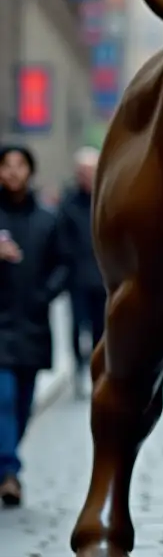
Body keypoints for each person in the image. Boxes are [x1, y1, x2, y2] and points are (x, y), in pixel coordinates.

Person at [0, 143, 70, 506]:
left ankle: (7, 460)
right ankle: (9, 471)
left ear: (30, 170)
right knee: (5, 398)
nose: (12, 172)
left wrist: (45, 294)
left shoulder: (47, 218)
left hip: (32, 323)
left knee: (24, 402)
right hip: (1, 324)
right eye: (6, 165)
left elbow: (63, 264)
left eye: (19, 165)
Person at [56, 146, 106, 398]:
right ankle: (78, 367)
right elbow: (62, 241)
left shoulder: (107, 200)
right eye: (83, 171)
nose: (86, 176)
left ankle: (97, 369)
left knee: (101, 328)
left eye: (91, 171)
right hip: (76, 279)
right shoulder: (68, 203)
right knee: (76, 327)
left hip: (104, 278)